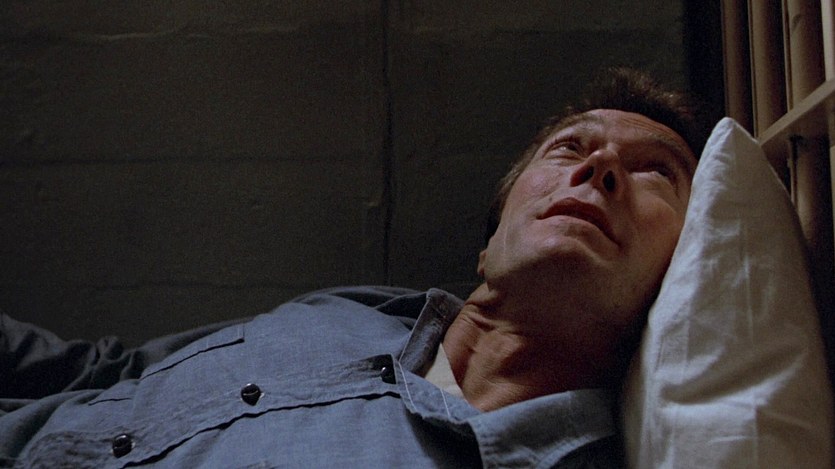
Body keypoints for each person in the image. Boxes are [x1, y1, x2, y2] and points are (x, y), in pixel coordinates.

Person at [0, 68, 711, 468]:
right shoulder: (348, 313)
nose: (600, 166)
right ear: (492, 235)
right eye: (569, 148)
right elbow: (109, 373)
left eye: (655, 171)